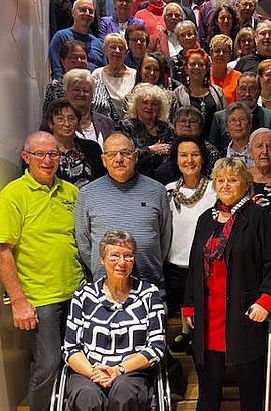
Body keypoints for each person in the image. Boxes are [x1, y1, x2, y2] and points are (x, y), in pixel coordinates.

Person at [181, 157, 271, 411]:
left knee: (249, 380)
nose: (226, 185)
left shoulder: (258, 217)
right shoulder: (206, 219)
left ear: (245, 184)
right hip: (209, 313)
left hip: (243, 313)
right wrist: (189, 304)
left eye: (233, 180)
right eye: (221, 180)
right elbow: (194, 266)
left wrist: (266, 301)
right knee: (208, 378)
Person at [63, 229, 165, 411]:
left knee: (123, 394)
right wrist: (93, 372)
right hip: (88, 370)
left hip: (131, 371)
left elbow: (156, 346)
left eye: (128, 256)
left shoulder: (149, 294)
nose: (122, 262)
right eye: (115, 256)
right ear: (102, 259)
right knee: (87, 398)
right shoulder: (84, 296)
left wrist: (119, 370)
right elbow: (70, 349)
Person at [0, 131, 84, 411]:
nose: (48, 160)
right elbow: (3, 251)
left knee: (80, 363)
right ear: (26, 157)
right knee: (48, 364)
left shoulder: (71, 192)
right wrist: (18, 301)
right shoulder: (13, 194)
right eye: (40, 154)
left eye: (54, 154)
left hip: (77, 293)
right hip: (40, 298)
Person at [75, 132, 171, 287]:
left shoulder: (157, 191)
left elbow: (165, 237)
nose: (119, 159)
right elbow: (84, 242)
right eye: (112, 154)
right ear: (104, 160)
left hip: (150, 285)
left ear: (136, 156)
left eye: (125, 153)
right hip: (105, 287)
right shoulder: (87, 194)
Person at [165, 136, 216, 351]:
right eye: (183, 155)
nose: (189, 160)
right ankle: (185, 335)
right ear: (176, 159)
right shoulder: (168, 190)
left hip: (205, 265)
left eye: (195, 155)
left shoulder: (215, 189)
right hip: (174, 264)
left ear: (203, 158)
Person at [209, 72, 271, 156]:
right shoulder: (219, 117)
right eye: (243, 89)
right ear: (236, 90)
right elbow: (213, 151)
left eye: (252, 89)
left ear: (260, 91)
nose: (247, 94)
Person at [42, 40, 115, 121]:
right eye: (73, 58)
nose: (79, 61)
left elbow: (113, 116)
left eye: (83, 57)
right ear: (63, 61)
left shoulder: (99, 84)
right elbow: (47, 120)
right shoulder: (55, 87)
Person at [45, 98, 105, 187]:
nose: (67, 124)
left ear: (78, 122)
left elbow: (102, 180)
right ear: (51, 123)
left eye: (71, 118)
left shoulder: (92, 148)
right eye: (60, 119)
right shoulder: (41, 151)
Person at [155, 106, 221, 185]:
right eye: (182, 121)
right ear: (175, 126)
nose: (187, 124)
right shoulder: (163, 147)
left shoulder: (211, 151)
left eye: (192, 121)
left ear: (201, 126)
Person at [120, 83, 175, 177]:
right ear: (136, 105)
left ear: (160, 107)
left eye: (154, 104)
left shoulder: (168, 128)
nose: (149, 107)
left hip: (164, 178)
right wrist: (150, 150)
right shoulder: (126, 126)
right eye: (145, 102)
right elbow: (126, 156)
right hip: (135, 177)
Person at [172, 48, 226, 138]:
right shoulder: (177, 95)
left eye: (201, 64)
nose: (197, 67)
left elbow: (224, 119)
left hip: (216, 143)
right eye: (192, 64)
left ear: (207, 68)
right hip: (187, 143)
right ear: (186, 68)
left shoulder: (218, 92)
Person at [49, 0, 105, 78]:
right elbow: (57, 70)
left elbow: (103, 72)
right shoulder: (61, 37)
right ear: (73, 13)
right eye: (82, 10)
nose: (87, 13)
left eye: (91, 11)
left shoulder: (98, 43)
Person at [63, 69, 115, 148]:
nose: (81, 94)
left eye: (86, 90)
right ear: (66, 93)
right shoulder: (57, 123)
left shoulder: (107, 122)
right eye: (76, 90)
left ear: (92, 95)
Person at [92, 33, 137, 119]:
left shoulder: (135, 74)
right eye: (113, 47)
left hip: (130, 122)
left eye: (121, 48)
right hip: (104, 121)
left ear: (125, 53)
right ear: (105, 50)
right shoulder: (97, 74)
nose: (117, 51)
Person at [209, 34, 241, 104]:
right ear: (211, 53)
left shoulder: (238, 77)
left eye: (225, 51)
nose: (221, 54)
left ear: (230, 55)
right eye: (217, 51)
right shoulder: (203, 76)